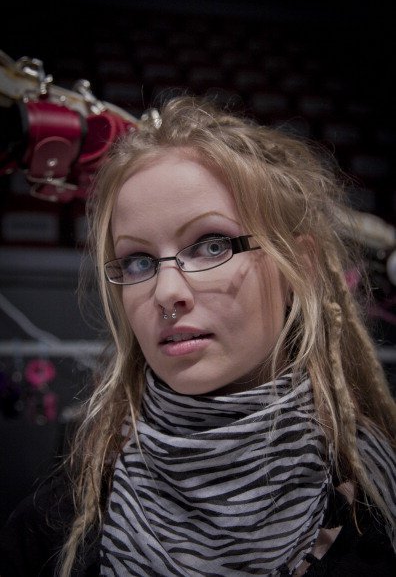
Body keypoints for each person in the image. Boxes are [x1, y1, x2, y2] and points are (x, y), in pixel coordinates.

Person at [0, 96, 395, 577]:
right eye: (139, 261)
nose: (166, 291)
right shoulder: (68, 500)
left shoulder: (374, 502)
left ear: (300, 269)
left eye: (212, 245)